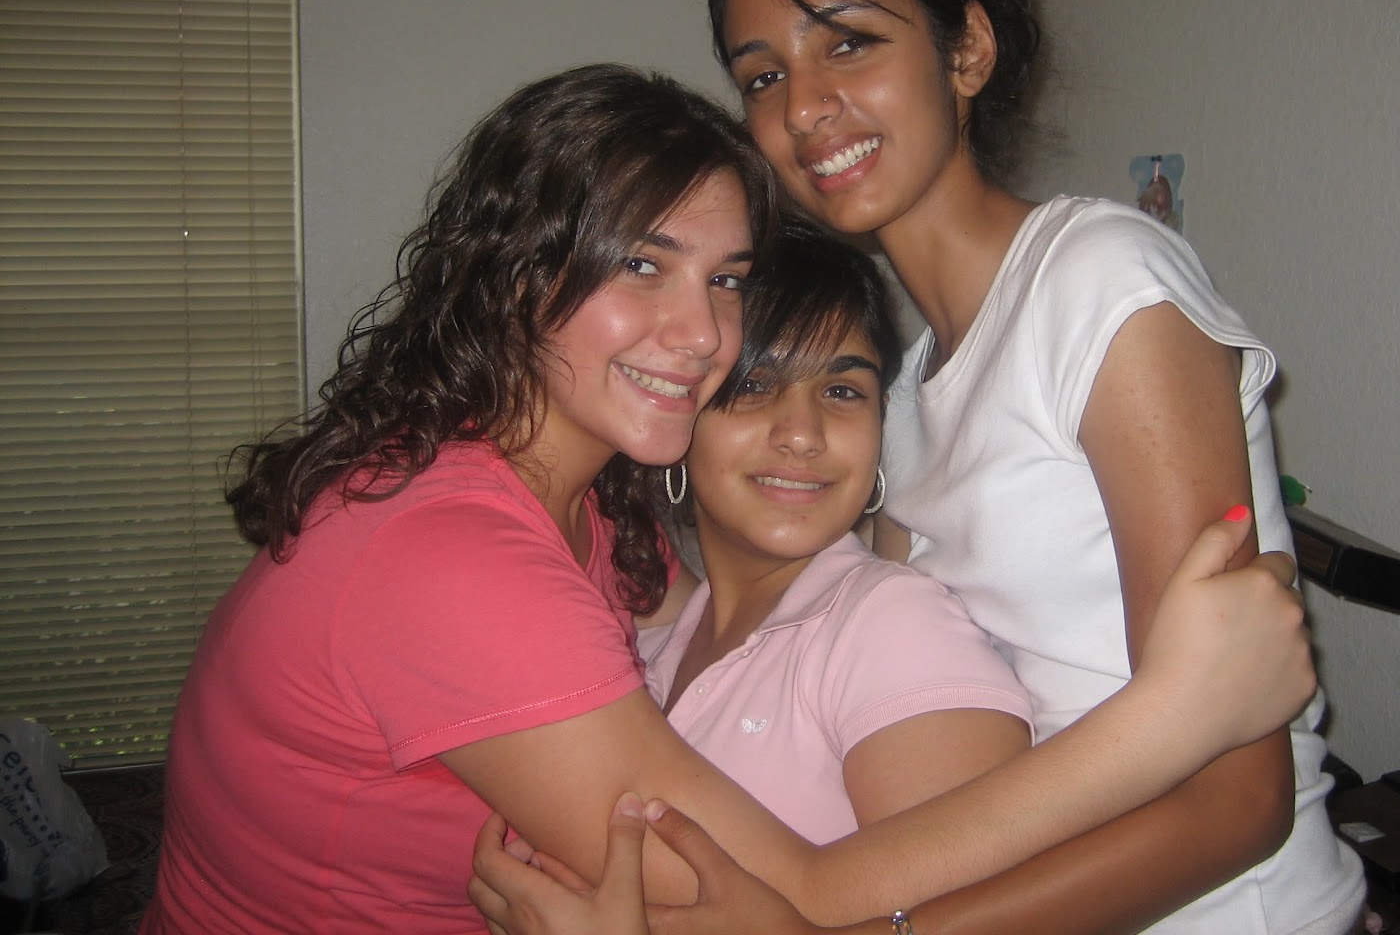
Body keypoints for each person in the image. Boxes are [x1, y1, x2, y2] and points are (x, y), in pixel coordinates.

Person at [142, 63, 1309, 935]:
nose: (701, 335)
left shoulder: (562, 505)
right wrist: (1173, 715)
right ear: (515, 272)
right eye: (641, 265)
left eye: (726, 280)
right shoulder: (454, 559)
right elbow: (791, 893)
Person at [469, 0, 1365, 934]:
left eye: (846, 43)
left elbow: (1238, 801)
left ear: (966, 51)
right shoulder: (905, 400)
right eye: (762, 76)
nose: (801, 109)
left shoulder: (1103, 286)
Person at [642, 218, 1033, 843]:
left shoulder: (885, 623)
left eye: (843, 390)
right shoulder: (652, 658)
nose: (802, 433)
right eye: (754, 386)